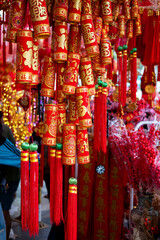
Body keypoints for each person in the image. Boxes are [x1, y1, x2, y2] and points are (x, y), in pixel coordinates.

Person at [0, 111, 20, 240]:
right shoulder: (4, 130)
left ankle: (6, 236)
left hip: (8, 178)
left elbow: (11, 156)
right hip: (8, 177)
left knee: (4, 210)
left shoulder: (4, 131)